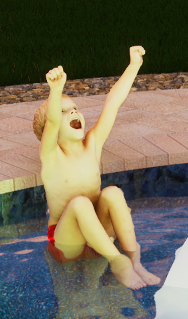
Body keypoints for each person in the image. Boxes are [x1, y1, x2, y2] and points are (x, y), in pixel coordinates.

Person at [38, 46, 161, 289]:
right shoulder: (51, 156)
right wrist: (56, 90)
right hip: (68, 244)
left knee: (113, 193)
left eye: (74, 108)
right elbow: (51, 122)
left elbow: (113, 103)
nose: (73, 111)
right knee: (80, 203)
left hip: (99, 236)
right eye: (64, 111)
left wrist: (134, 65)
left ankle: (135, 261)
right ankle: (117, 262)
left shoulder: (92, 144)